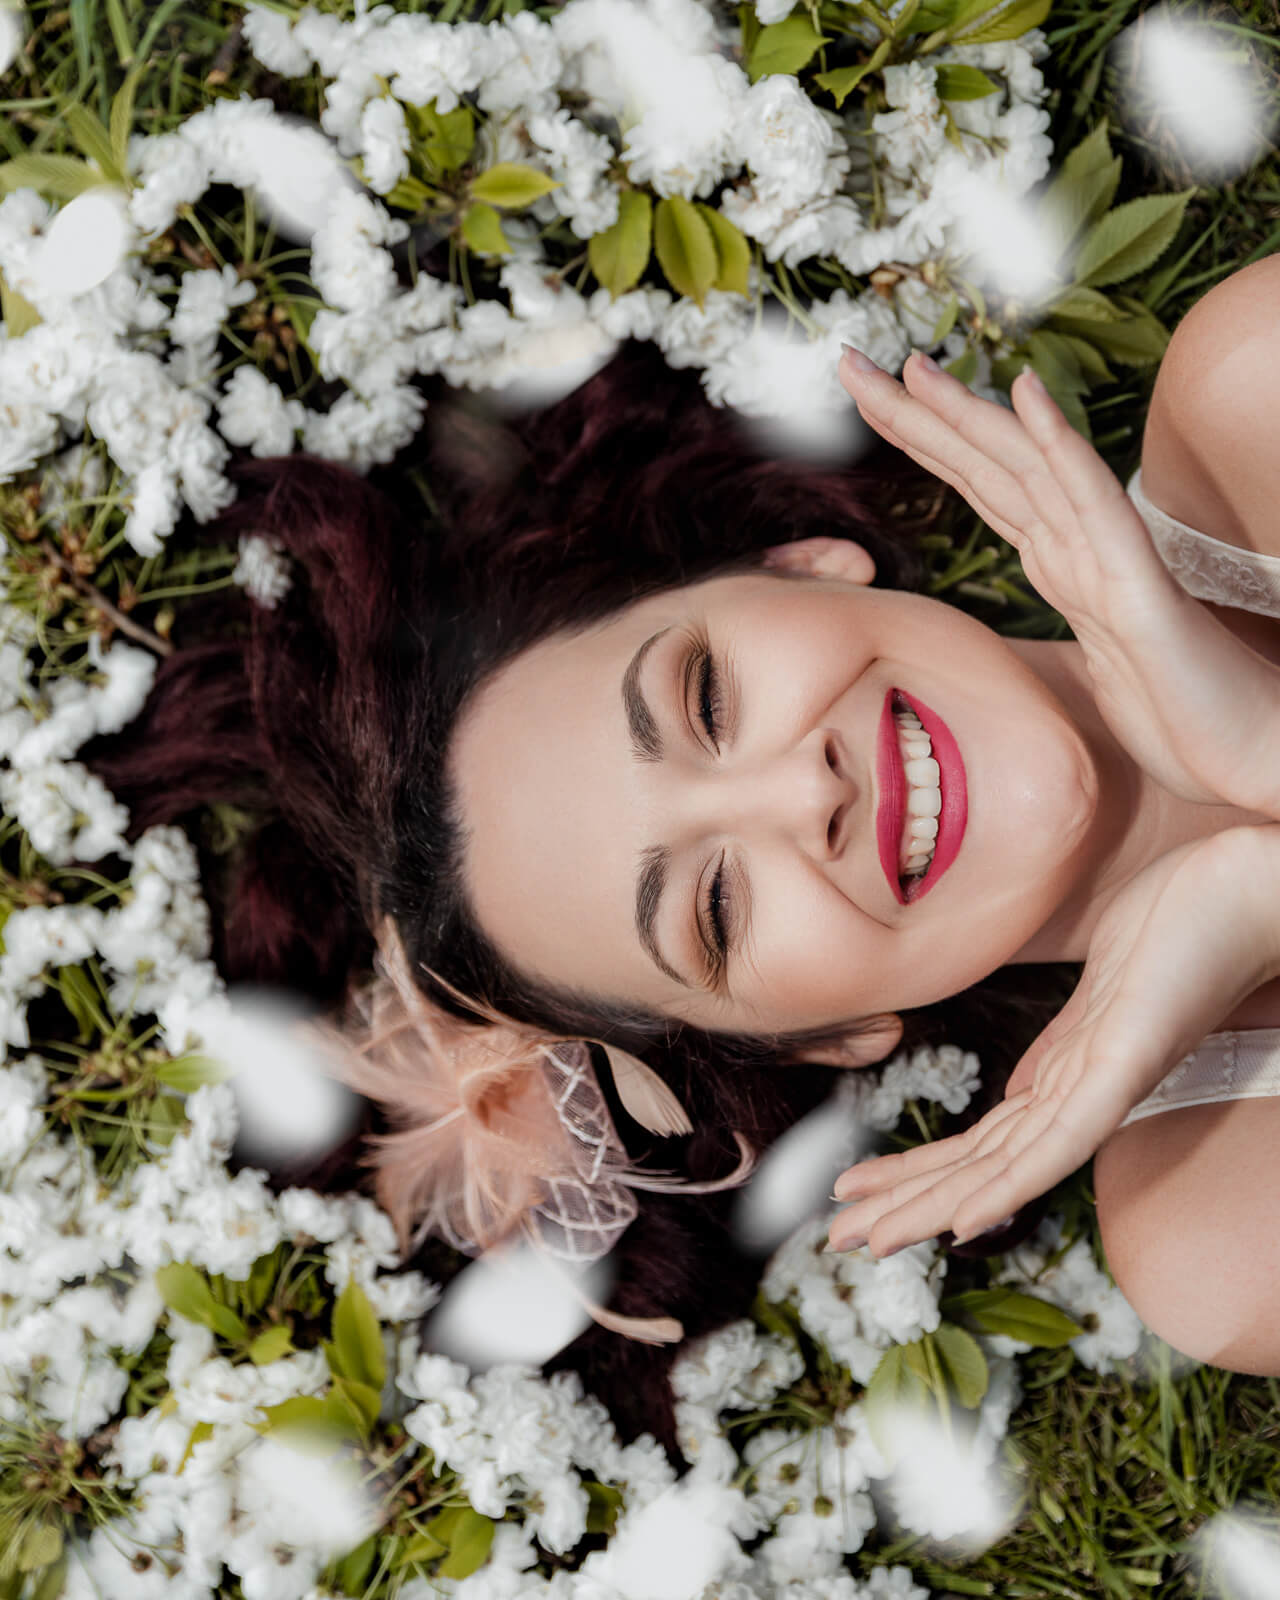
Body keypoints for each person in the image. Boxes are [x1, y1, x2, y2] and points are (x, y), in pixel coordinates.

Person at [78, 251, 1280, 1456]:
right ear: (824, 1039)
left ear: (799, 564)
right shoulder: (1216, 1235)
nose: (799, 791)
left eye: (705, 698)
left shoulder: (1252, 391)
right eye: (712, 906)